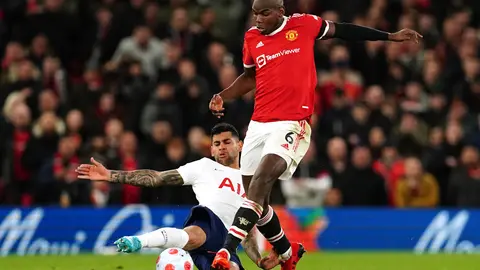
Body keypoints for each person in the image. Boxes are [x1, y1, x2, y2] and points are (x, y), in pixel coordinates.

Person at [208, 0, 422, 269]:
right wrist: (222, 96)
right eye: (254, 14)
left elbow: (344, 30)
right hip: (259, 124)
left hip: (292, 123)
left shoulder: (304, 24)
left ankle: (225, 252)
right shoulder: (252, 38)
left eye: (264, 13)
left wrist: (389, 36)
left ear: (280, 12)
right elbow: (250, 78)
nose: (258, 19)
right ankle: (288, 253)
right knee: (256, 201)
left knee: (261, 183)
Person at [76, 123, 278, 270]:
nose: (221, 147)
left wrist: (259, 261)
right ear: (211, 149)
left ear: (240, 145)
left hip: (227, 246)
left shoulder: (252, 182)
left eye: (227, 142)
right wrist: (111, 175)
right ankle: (140, 241)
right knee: (198, 232)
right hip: (208, 227)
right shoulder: (203, 167)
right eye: (216, 144)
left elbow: (248, 233)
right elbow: (157, 178)